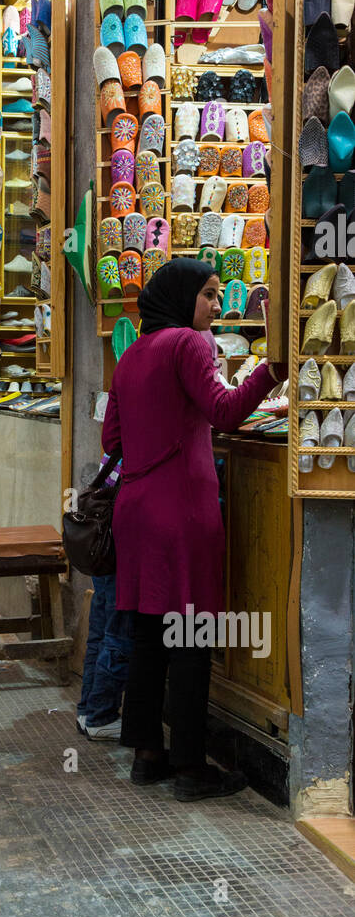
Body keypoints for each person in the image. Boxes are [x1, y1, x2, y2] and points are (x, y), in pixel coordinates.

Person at [101, 260, 282, 802]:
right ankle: (190, 767)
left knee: (151, 630)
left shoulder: (132, 353)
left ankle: (146, 754)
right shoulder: (190, 344)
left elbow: (112, 440)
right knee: (193, 634)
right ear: (183, 299)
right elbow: (224, 413)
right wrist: (271, 370)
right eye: (207, 295)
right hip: (181, 508)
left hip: (136, 508)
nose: (215, 305)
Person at [76, 456, 135, 740]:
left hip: (103, 548)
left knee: (100, 632)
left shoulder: (116, 442)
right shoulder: (140, 441)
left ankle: (87, 711)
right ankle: (102, 715)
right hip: (119, 545)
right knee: (119, 631)